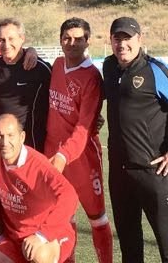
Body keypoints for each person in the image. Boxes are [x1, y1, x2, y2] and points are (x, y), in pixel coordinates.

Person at [102, 17, 168, 263]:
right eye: (117, 38)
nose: (122, 44)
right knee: (129, 243)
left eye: (127, 38)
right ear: (110, 40)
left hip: (154, 172)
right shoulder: (109, 68)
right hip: (120, 173)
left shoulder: (154, 69)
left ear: (139, 39)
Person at [0, 114, 78, 263]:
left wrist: (42, 235)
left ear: (22, 137)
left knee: (39, 255)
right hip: (16, 240)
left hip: (49, 236)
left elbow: (70, 196)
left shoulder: (39, 166)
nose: (5, 142)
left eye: (11, 135)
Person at [45, 18, 113, 263]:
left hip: (82, 157)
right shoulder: (56, 64)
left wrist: (64, 155)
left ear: (88, 41)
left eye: (78, 39)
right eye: (66, 38)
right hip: (51, 155)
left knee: (97, 218)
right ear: (60, 39)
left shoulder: (92, 77)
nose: (71, 44)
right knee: (63, 218)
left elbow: (84, 128)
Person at [0, 18, 51, 151]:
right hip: (1, 143)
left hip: (31, 144)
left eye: (11, 39)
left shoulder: (40, 68)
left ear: (22, 39)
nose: (6, 44)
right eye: (1, 40)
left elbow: (60, 94)